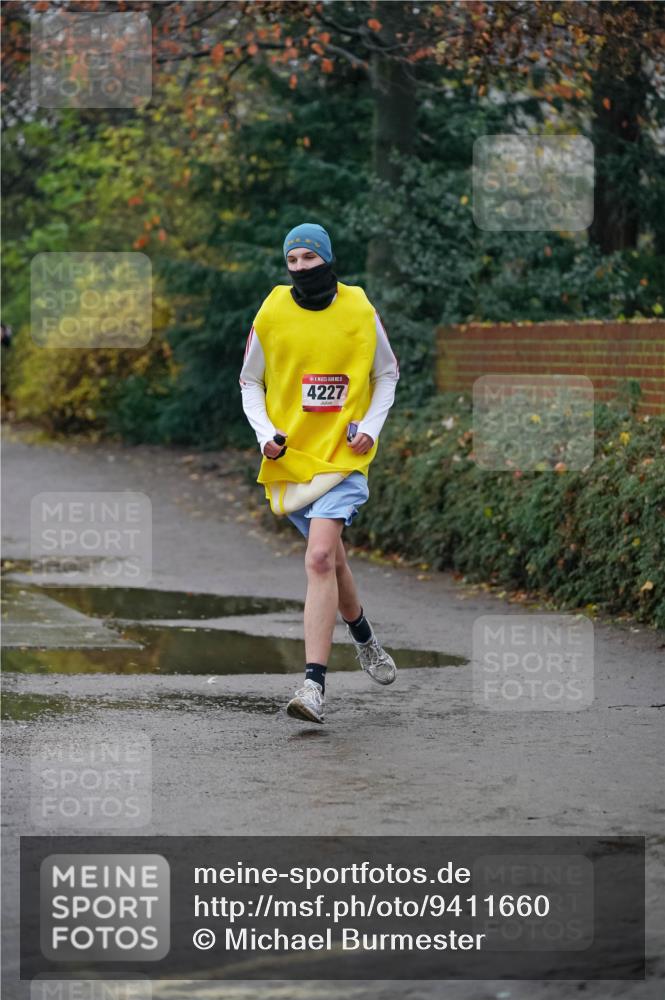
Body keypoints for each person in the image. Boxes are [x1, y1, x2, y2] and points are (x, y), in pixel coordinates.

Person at [239, 222, 400, 724]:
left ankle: (313, 686)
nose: (302, 269)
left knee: (319, 557)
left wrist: (371, 429)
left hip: (343, 457)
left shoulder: (359, 309)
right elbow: (249, 381)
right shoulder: (272, 312)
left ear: (327, 260)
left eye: (310, 259)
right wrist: (265, 433)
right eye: (294, 262)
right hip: (292, 460)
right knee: (332, 563)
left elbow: (386, 373)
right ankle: (365, 638)